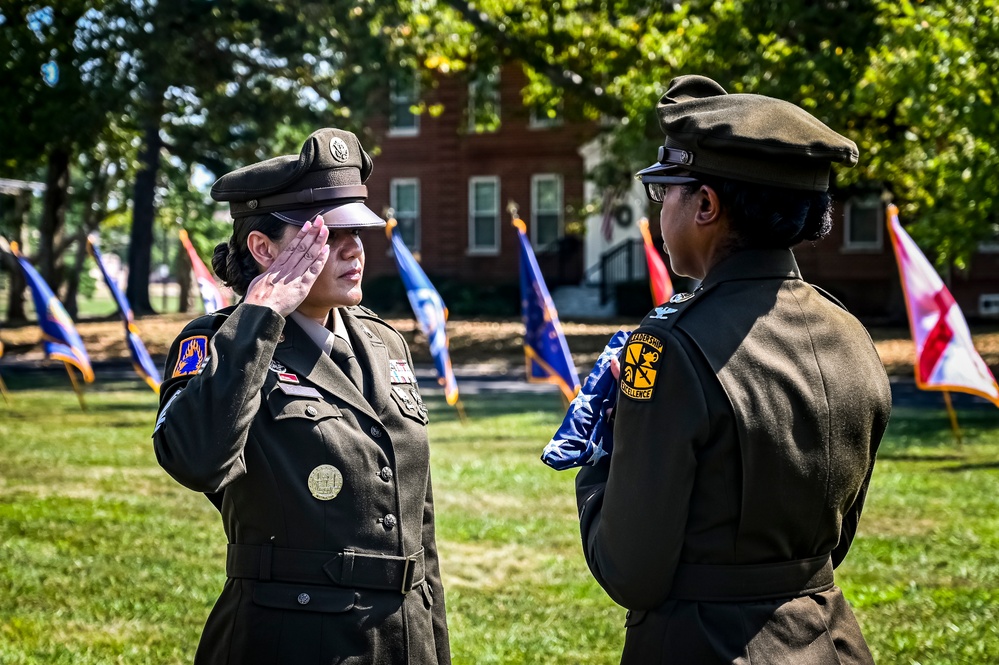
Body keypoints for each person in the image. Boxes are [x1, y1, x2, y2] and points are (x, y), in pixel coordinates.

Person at [575, 75, 892, 664]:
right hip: (833, 643)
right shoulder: (853, 334)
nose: (660, 208)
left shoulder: (663, 348)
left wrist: (599, 460)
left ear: (705, 205)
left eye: (664, 190)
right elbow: (835, 539)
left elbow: (632, 570)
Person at [153, 128, 450, 664]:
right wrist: (260, 317)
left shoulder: (385, 343)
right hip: (291, 641)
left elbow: (418, 531)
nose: (353, 247)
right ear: (263, 248)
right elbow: (196, 460)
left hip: (403, 639)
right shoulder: (219, 342)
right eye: (326, 234)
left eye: (356, 231)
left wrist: (433, 645)